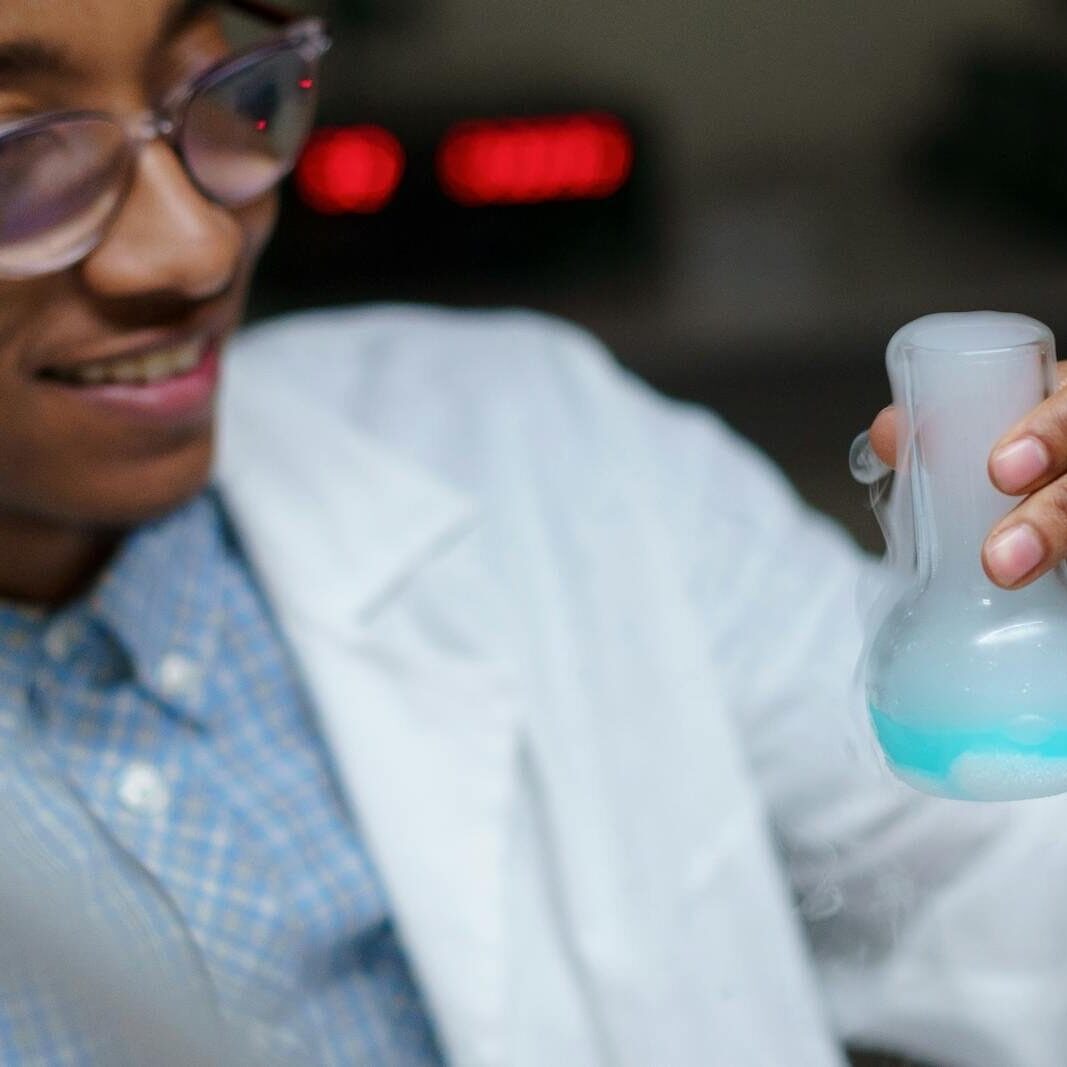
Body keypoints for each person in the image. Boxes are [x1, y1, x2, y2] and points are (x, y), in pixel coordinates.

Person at [3, 1, 1067, 1065]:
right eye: (17, 159)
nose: (189, 250)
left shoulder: (537, 447)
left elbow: (1011, 881)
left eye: (229, 94)